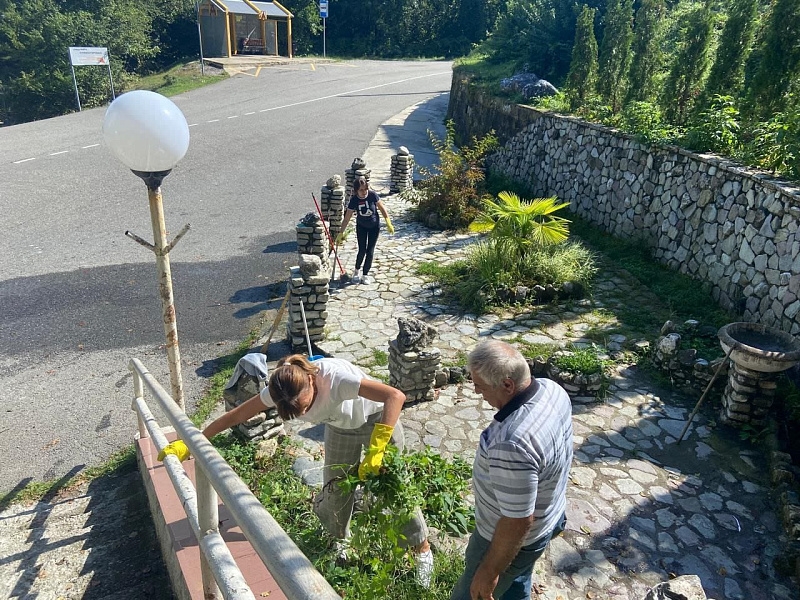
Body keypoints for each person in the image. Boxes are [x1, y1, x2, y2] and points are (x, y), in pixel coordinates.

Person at [159, 354, 434, 586]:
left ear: (312, 383)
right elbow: (236, 415)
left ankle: (421, 548)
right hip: (340, 427)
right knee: (336, 487)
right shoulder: (281, 389)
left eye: (304, 407)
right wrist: (192, 443)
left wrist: (377, 448)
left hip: (376, 420)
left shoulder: (336, 379)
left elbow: (394, 396)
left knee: (395, 490)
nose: (302, 414)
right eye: (294, 412)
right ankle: (340, 539)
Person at [452, 340, 573, 600]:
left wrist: (489, 570)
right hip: (549, 517)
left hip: (505, 541)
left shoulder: (511, 443)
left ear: (507, 385)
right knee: (518, 578)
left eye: (480, 386)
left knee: (470, 594)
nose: (476, 391)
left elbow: (518, 521)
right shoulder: (553, 390)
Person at [337, 177, 394, 285]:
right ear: (356, 190)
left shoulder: (372, 195)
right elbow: (347, 217)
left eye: (365, 189)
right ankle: (356, 271)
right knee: (362, 250)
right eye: (361, 190)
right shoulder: (354, 200)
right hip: (361, 226)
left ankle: (365, 274)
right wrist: (341, 233)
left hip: (374, 226)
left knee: (370, 251)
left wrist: (388, 222)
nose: (364, 192)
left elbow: (382, 208)